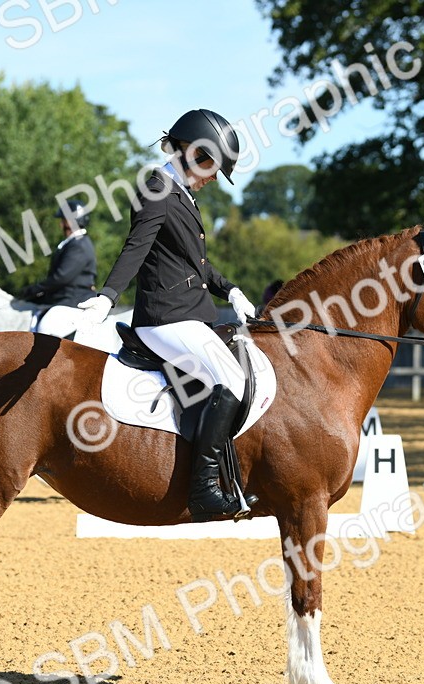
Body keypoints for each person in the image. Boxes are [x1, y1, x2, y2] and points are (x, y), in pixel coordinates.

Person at [77, 108, 257, 523]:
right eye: (212, 165)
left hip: (191, 313)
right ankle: (205, 489)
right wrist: (107, 296)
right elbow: (136, 248)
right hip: (165, 319)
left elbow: (194, 264)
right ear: (193, 151)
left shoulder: (183, 192)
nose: (214, 177)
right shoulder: (156, 186)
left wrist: (231, 289)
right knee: (229, 379)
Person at [21, 199, 98, 337]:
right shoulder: (73, 242)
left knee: (46, 327)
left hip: (72, 300)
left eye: (62, 220)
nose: (60, 223)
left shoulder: (79, 245)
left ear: (69, 222)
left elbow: (61, 277)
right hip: (65, 298)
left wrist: (36, 289)